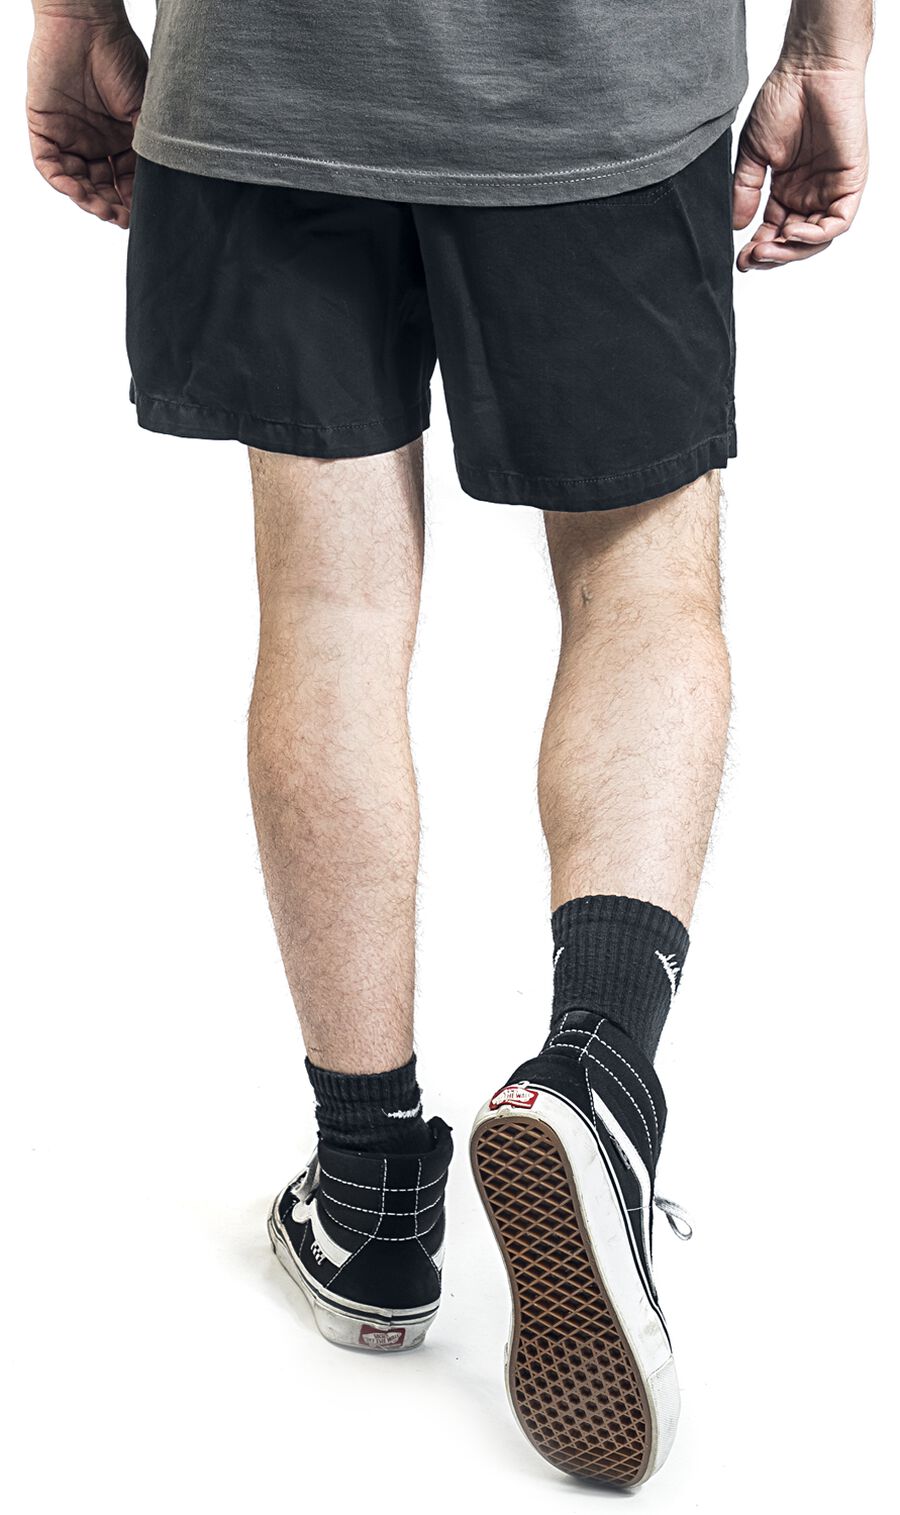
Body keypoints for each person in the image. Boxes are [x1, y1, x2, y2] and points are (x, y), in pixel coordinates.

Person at [27, 0, 872, 1487]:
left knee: (330, 612)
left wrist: (71, 17)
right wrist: (831, 48)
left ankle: (366, 1191)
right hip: (599, 84)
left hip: (274, 79)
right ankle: (596, 1076)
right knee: (639, 588)